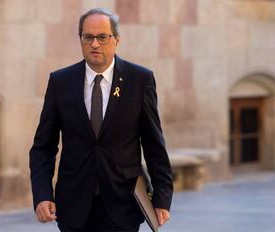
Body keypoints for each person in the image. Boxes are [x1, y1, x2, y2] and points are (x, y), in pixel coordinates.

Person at [29, 8, 173, 232]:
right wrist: (42, 194)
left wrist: (162, 198)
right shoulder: (60, 82)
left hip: (123, 204)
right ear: (81, 39)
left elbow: (154, 144)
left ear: (116, 40)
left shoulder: (140, 80)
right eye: (88, 37)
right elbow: (43, 147)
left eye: (102, 37)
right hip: (74, 206)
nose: (94, 44)